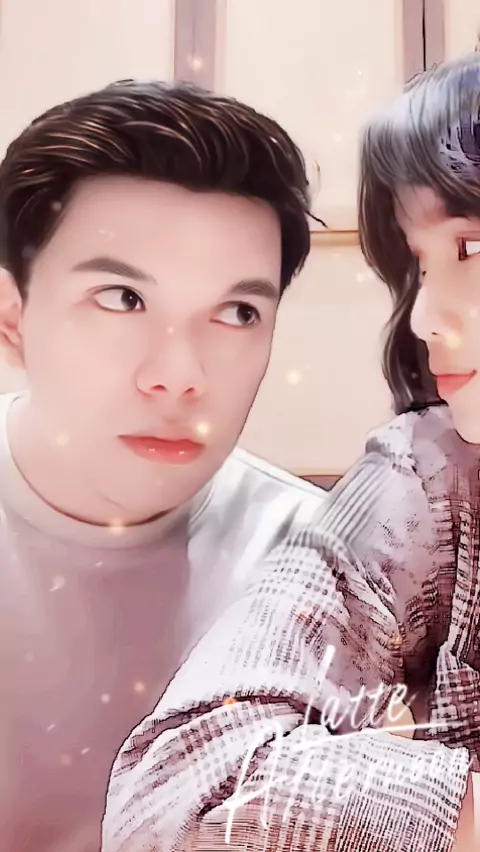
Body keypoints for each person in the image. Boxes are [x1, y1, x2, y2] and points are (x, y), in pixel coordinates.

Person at [102, 53, 480, 852]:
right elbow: (176, 789)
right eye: (419, 263)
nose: (423, 319)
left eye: (471, 249)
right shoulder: (429, 475)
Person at [0, 80, 325, 852]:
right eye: (122, 298)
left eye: (238, 313)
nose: (180, 375)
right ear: (13, 318)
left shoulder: (330, 572)